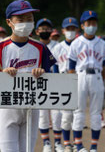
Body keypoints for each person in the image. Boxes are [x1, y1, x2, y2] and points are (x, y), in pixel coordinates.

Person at [0, 0, 56, 152]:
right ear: (9, 22)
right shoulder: (1, 47)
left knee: (27, 150)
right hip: (6, 107)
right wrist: (2, 73)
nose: (26, 23)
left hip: (32, 106)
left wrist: (42, 73)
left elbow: (50, 79)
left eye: (29, 18)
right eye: (21, 19)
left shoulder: (40, 47)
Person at [68, 10, 105, 152]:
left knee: (96, 112)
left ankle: (93, 146)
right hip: (80, 76)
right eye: (88, 22)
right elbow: (71, 67)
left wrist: (101, 80)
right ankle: (78, 146)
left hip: (96, 76)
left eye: (94, 22)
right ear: (83, 25)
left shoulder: (102, 43)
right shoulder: (76, 43)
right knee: (78, 111)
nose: (92, 25)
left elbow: (104, 66)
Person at [35, 18, 63, 152]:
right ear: (37, 31)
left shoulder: (58, 46)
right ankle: (46, 142)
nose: (45, 31)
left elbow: (58, 65)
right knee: (42, 114)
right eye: (42, 28)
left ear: (51, 31)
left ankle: (58, 142)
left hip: (55, 83)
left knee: (57, 115)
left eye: (47, 28)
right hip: (39, 84)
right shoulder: (34, 45)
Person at [52, 17, 80, 152]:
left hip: (78, 80)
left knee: (77, 115)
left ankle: (76, 143)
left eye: (73, 29)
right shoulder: (58, 47)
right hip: (64, 81)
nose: (70, 31)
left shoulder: (80, 44)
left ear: (77, 30)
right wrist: (58, 82)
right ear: (63, 31)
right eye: (68, 29)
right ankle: (67, 144)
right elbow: (56, 67)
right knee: (65, 116)